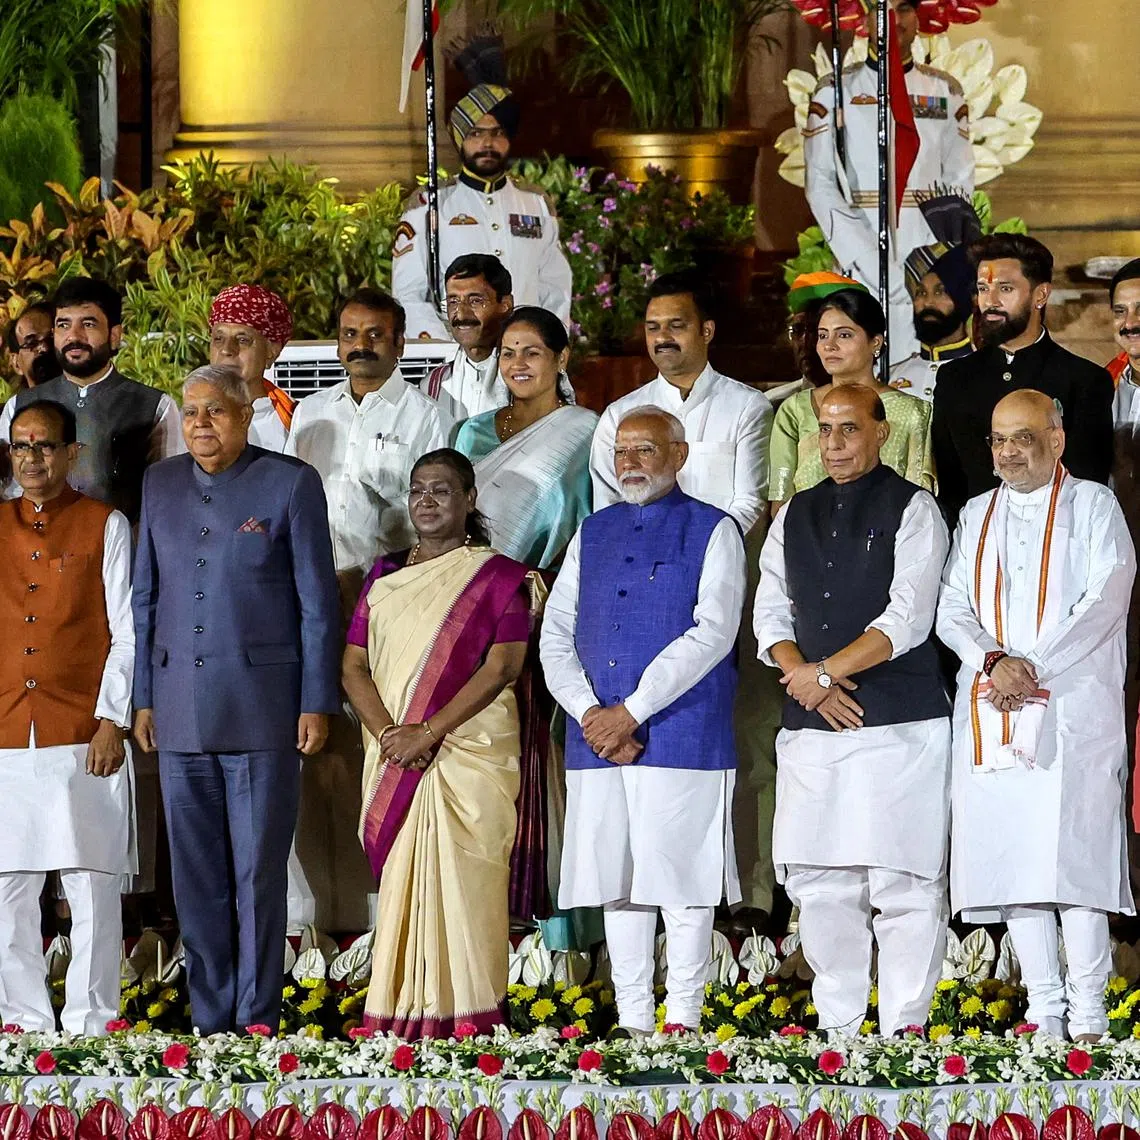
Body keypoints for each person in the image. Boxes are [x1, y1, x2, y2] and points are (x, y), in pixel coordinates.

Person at [132, 364, 341, 1035]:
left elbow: (317, 604)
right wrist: (143, 697)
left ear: (246, 413)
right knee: (195, 880)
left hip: (264, 710)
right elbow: (145, 601)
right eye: (191, 412)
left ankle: (255, 1020)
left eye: (215, 410)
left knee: (257, 875)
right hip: (179, 707)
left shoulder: (289, 483)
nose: (200, 424)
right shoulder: (158, 483)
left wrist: (316, 699)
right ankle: (209, 1019)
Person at [754, 384, 951, 1037]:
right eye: (825, 430)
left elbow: (909, 617)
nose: (834, 443)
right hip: (812, 728)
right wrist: (802, 677)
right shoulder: (794, 514)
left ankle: (905, 1032)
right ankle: (838, 1031)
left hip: (900, 726)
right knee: (823, 883)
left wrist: (821, 673)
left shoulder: (915, 508)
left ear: (881, 433)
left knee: (902, 884)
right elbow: (769, 613)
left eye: (848, 429)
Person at [937, 389, 1134, 1041]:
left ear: (1057, 440)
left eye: (1023, 437)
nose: (1009, 452)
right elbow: (951, 608)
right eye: (999, 440)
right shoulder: (976, 513)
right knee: (1013, 857)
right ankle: (1044, 1011)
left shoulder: (1092, 504)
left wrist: (1034, 666)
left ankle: (1091, 1018)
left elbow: (1107, 596)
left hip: (1073, 708)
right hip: (995, 706)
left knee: (1075, 862)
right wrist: (995, 661)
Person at [541, 408, 746, 1033]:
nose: (630, 463)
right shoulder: (592, 532)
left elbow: (713, 632)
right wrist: (588, 712)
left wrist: (630, 711)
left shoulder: (715, 530)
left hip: (681, 732)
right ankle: (633, 1019)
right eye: (622, 451)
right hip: (596, 738)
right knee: (617, 879)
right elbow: (556, 631)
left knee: (683, 881)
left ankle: (682, 1018)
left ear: (679, 456)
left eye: (645, 450)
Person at [589, 271, 775, 930]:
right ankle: (645, 898)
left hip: (724, 596)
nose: (664, 339)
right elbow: (609, 513)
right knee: (643, 742)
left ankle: (746, 900)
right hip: (639, 608)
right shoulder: (623, 415)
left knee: (740, 743)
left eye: (677, 325)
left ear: (706, 331)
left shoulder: (747, 407)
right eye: (654, 327)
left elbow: (751, 501)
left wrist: (701, 559)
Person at [343, 449, 532, 1037]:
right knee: (404, 878)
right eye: (418, 490)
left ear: (469, 499)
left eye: (442, 490)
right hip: (398, 752)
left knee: (469, 880)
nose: (427, 500)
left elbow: (504, 665)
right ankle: (397, 1016)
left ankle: (472, 1017)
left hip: (467, 751)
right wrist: (392, 738)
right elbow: (353, 667)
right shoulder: (383, 576)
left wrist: (429, 730)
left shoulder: (502, 577)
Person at [0, 400, 134, 1035]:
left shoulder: (105, 524)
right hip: (4, 731)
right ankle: (23, 1025)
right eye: (22, 446)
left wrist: (112, 718)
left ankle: (93, 1023)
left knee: (92, 888)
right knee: (9, 893)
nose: (33, 458)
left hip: (83, 731)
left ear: (71, 453)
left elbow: (127, 632)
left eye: (45, 446)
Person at [803, 0, 974, 364]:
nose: (893, 18)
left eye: (905, 7)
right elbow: (820, 182)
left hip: (927, 253)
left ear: (919, 17)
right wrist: (864, 254)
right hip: (859, 247)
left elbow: (959, 182)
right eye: (880, 6)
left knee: (926, 366)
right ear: (863, 18)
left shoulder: (945, 91)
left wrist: (938, 260)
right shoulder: (834, 91)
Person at [932, 234, 1114, 528]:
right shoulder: (954, 379)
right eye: (982, 288)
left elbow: (1088, 489)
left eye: (1005, 288)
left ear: (1040, 295)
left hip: (1055, 547)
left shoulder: (1084, 380)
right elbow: (950, 486)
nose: (989, 302)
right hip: (974, 547)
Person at [285, 289, 449, 576]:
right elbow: (287, 498)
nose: (360, 344)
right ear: (338, 345)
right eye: (349, 334)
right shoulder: (310, 412)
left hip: (390, 586)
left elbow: (441, 516)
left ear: (399, 343)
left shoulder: (427, 417)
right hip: (312, 582)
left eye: (375, 335)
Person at [392, 84, 572, 341]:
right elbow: (408, 294)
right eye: (476, 133)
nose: (488, 143)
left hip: (526, 352)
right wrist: (441, 348)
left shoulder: (535, 203)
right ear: (460, 139)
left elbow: (556, 288)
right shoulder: (429, 204)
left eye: (497, 133)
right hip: (455, 352)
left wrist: (552, 343)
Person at [1, 279, 183, 522]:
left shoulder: (155, 407)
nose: (73, 336)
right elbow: (10, 493)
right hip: (38, 552)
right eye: (64, 325)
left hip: (122, 552)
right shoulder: (20, 406)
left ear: (115, 335)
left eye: (88, 324)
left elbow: (169, 499)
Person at [769, 287, 935, 511]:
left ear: (875, 342)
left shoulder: (912, 412)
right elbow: (781, 505)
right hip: (810, 539)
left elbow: (919, 502)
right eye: (823, 335)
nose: (830, 345)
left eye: (844, 335)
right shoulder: (796, 410)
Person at [456, 306, 596, 569]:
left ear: (562, 358)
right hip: (470, 581)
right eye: (508, 354)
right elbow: (454, 512)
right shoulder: (472, 432)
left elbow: (597, 518)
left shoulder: (587, 432)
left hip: (550, 586)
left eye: (531, 353)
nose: (517, 365)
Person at [424, 254, 513, 428]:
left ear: (505, 305)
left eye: (475, 301)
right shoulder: (433, 384)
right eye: (453, 301)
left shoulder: (525, 377)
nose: (462, 314)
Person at [208, 284, 297, 451]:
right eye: (219, 339)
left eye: (242, 340)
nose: (227, 350)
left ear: (272, 351)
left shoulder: (294, 421)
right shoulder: (192, 418)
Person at [889, 244, 975, 403]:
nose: (928, 302)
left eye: (940, 292)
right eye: (921, 293)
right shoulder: (891, 377)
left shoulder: (985, 374)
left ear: (963, 301)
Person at [5, 301, 58, 390]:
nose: (45, 348)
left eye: (52, 339)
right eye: (31, 343)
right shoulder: (15, 404)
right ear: (16, 363)